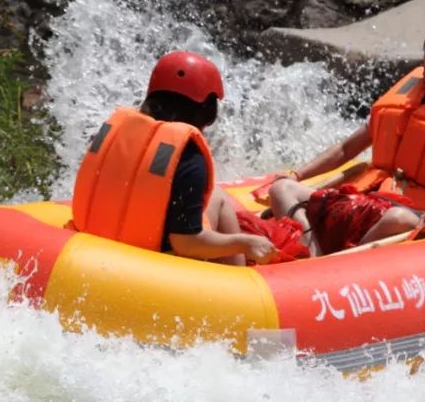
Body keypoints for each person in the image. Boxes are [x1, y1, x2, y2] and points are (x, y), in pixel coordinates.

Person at [268, 17, 425, 255]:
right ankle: (311, 256)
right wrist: (297, 175)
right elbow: (346, 149)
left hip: (414, 214)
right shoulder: (404, 101)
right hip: (368, 202)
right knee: (282, 189)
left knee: (396, 218)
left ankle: (339, 266)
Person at [72, 50, 278, 265]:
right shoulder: (189, 158)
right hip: (150, 266)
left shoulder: (115, 134)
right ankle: (239, 283)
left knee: (214, 195)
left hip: (93, 246)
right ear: (206, 110)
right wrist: (244, 243)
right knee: (219, 198)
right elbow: (186, 244)